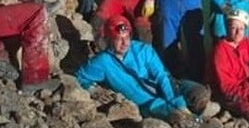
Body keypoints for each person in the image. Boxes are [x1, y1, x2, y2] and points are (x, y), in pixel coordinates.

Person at [76, 14, 211, 120]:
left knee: (199, 94)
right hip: (149, 103)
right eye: (119, 39)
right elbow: (80, 76)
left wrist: (177, 102)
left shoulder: (142, 50)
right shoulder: (103, 62)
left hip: (169, 87)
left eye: (126, 38)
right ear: (110, 40)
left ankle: (193, 111)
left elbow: (162, 76)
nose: (124, 43)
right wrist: (91, 89)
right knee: (180, 117)